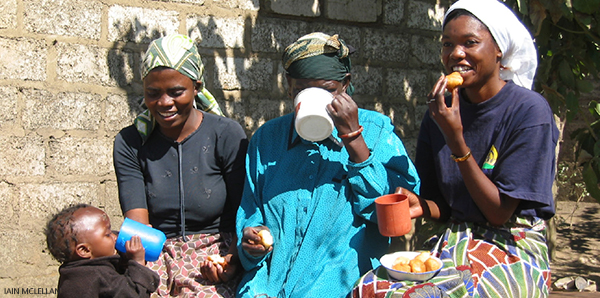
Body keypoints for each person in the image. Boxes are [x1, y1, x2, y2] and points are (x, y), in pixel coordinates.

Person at [352, 0, 558, 297]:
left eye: (470, 43)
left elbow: (499, 214)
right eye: (448, 44)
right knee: (369, 289)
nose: (456, 54)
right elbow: (448, 207)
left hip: (512, 247)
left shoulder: (528, 112)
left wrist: (456, 140)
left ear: (499, 49)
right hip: (455, 243)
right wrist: (422, 206)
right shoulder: (439, 113)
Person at [235, 32, 421, 298]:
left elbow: (392, 216)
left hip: (341, 290)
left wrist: (354, 140)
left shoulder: (378, 134)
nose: (313, 100)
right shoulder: (267, 140)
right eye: (301, 90)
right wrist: (252, 242)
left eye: (327, 90)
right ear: (288, 86)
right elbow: (250, 214)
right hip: (265, 289)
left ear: (345, 85)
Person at [113, 34, 248, 297]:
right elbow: (138, 229)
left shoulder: (226, 135)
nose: (164, 103)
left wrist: (231, 262)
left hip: (216, 252)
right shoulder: (130, 142)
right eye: (153, 93)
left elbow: (245, 211)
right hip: (154, 250)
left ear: (196, 86)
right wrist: (140, 270)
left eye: (176, 92)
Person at [45, 203, 159, 297]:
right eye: (108, 234)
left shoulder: (75, 272)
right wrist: (137, 262)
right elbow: (134, 295)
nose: (115, 237)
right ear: (84, 250)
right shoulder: (94, 277)